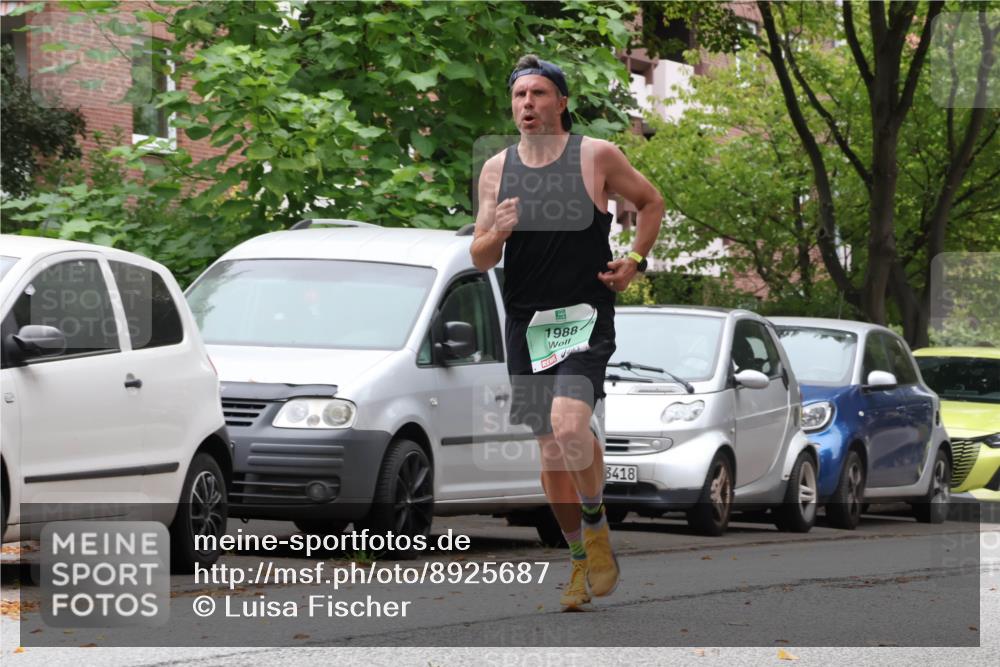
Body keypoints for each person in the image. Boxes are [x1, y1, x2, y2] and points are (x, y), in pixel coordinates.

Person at [470, 55, 665, 610]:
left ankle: (597, 518)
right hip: (525, 321)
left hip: (583, 316)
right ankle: (581, 558)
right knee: (551, 451)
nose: (526, 104)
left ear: (560, 101)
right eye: (519, 96)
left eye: (537, 94)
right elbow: (481, 256)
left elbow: (651, 202)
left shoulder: (596, 155)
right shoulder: (496, 169)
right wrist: (497, 231)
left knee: (569, 424)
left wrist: (635, 259)